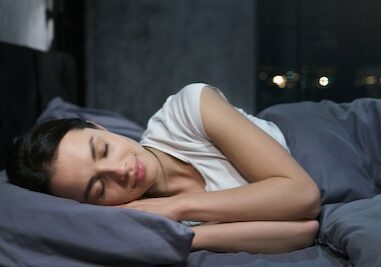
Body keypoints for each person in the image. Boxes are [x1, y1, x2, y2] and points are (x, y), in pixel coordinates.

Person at [6, 83, 321, 254]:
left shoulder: (188, 109)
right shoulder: (153, 220)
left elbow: (303, 196)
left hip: (344, 134)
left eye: (103, 149)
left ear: (99, 126)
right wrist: (182, 232)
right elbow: (303, 231)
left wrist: (176, 205)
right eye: (99, 188)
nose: (121, 170)